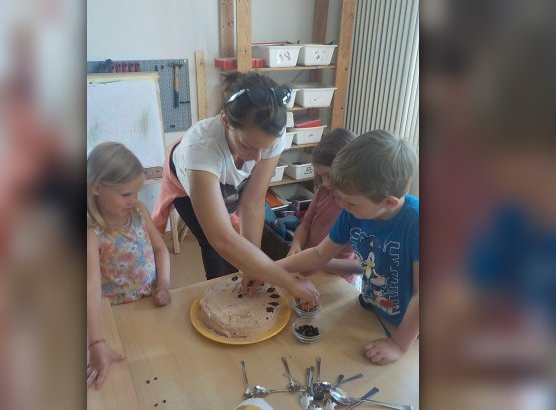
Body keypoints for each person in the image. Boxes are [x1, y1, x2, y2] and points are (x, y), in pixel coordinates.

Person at [151, 72, 319, 306]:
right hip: (184, 182)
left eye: (265, 148)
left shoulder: (271, 135)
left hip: (225, 177)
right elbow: (221, 238)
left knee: (245, 252)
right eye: (248, 146)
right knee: (214, 248)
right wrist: (288, 282)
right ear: (225, 121)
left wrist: (254, 266)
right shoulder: (201, 147)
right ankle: (218, 302)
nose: (258, 157)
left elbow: (252, 204)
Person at [269, 130, 419, 365]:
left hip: (409, 328)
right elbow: (319, 254)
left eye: (349, 202)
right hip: (372, 308)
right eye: (340, 198)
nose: (341, 206)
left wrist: (399, 344)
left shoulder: (418, 223)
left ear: (389, 202)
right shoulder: (353, 211)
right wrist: (268, 270)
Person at [86, 142, 171, 389]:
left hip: (149, 302)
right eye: (126, 194)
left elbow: (160, 250)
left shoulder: (139, 211)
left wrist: (164, 284)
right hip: (115, 314)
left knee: (161, 367)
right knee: (129, 380)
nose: (134, 200)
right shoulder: (92, 233)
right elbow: (90, 287)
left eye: (137, 192)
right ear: (97, 188)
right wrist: (96, 343)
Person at [286, 128, 360, 284]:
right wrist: (296, 244)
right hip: (312, 266)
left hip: (338, 278)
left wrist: (323, 262)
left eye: (329, 175)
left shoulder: (359, 209)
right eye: (320, 175)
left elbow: (361, 265)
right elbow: (305, 224)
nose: (325, 182)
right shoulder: (323, 191)